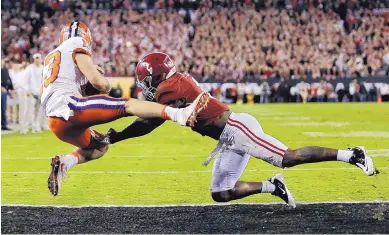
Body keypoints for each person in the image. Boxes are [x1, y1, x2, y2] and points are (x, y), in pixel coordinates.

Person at [107, 52, 375, 207]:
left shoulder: (169, 88)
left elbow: (149, 121)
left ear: (156, 75)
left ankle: (352, 155)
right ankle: (272, 186)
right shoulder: (174, 81)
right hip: (227, 135)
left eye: (147, 80)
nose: (146, 85)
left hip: (236, 129)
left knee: (288, 158)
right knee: (221, 193)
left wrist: (117, 136)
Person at [43, 22, 209, 196]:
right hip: (70, 106)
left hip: (56, 122)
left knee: (101, 146)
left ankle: (64, 163)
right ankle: (180, 114)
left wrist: (84, 85)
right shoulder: (76, 43)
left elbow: (65, 85)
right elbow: (99, 83)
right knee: (128, 105)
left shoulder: (51, 57)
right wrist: (102, 82)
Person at [25, 53, 48, 133]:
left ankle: (38, 125)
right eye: (36, 58)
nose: (37, 60)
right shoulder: (29, 68)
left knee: (40, 110)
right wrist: (27, 90)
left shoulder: (43, 68)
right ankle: (32, 126)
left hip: (40, 92)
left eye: (38, 58)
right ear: (34, 59)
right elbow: (25, 80)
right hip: (31, 92)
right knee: (31, 110)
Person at [1, 59, 14, 131]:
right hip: (2, 90)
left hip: (4, 92)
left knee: (3, 108)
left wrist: (11, 90)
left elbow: (9, 80)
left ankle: (4, 125)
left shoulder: (5, 70)